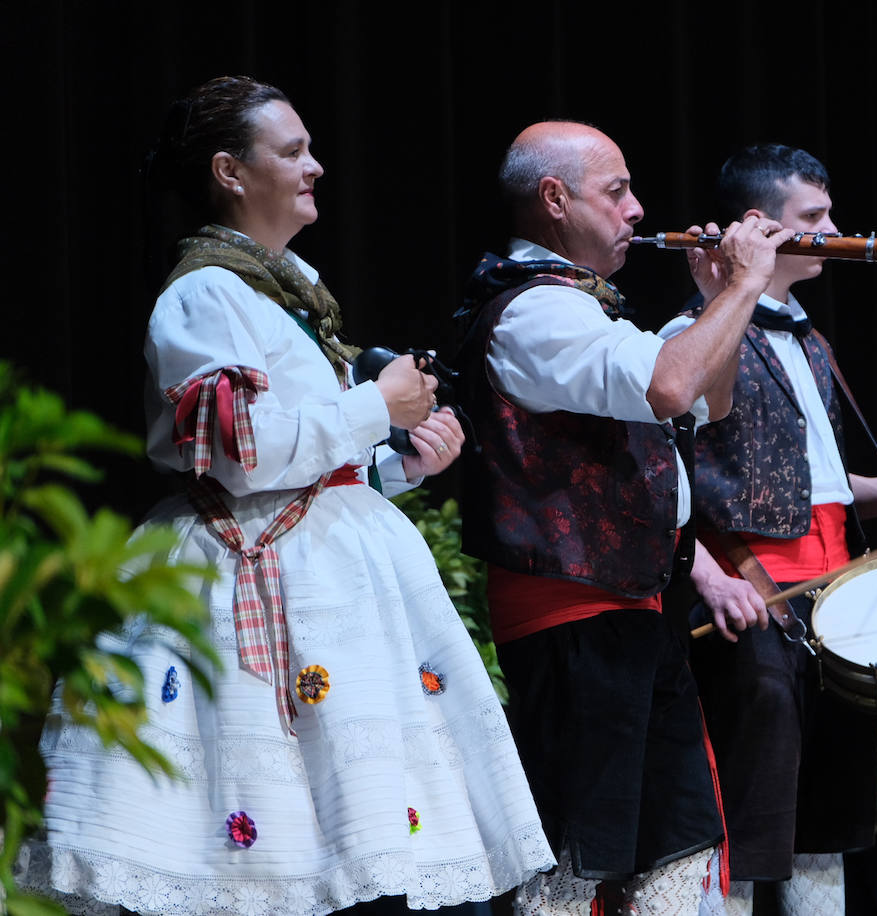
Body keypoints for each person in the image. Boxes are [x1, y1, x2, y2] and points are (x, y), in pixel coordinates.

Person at [14, 76, 554, 915]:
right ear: (231, 172)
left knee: (355, 836)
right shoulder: (205, 292)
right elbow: (239, 453)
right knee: (259, 843)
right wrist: (380, 403)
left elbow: (306, 465)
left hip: (327, 570)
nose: (317, 167)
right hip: (246, 572)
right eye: (293, 151)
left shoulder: (280, 287)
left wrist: (399, 463)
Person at [453, 121, 788, 916]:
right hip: (571, 617)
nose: (638, 210)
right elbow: (671, 387)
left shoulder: (583, 307)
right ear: (555, 199)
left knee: (672, 850)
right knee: (579, 860)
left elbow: (711, 398)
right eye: (617, 192)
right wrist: (745, 287)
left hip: (631, 612)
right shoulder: (534, 312)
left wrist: (717, 301)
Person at [660, 143, 877, 915]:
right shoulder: (693, 332)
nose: (834, 228)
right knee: (745, 820)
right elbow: (658, 474)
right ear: (761, 228)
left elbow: (819, 486)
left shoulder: (810, 340)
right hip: (751, 600)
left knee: (824, 826)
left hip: (834, 605)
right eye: (816, 217)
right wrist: (705, 570)